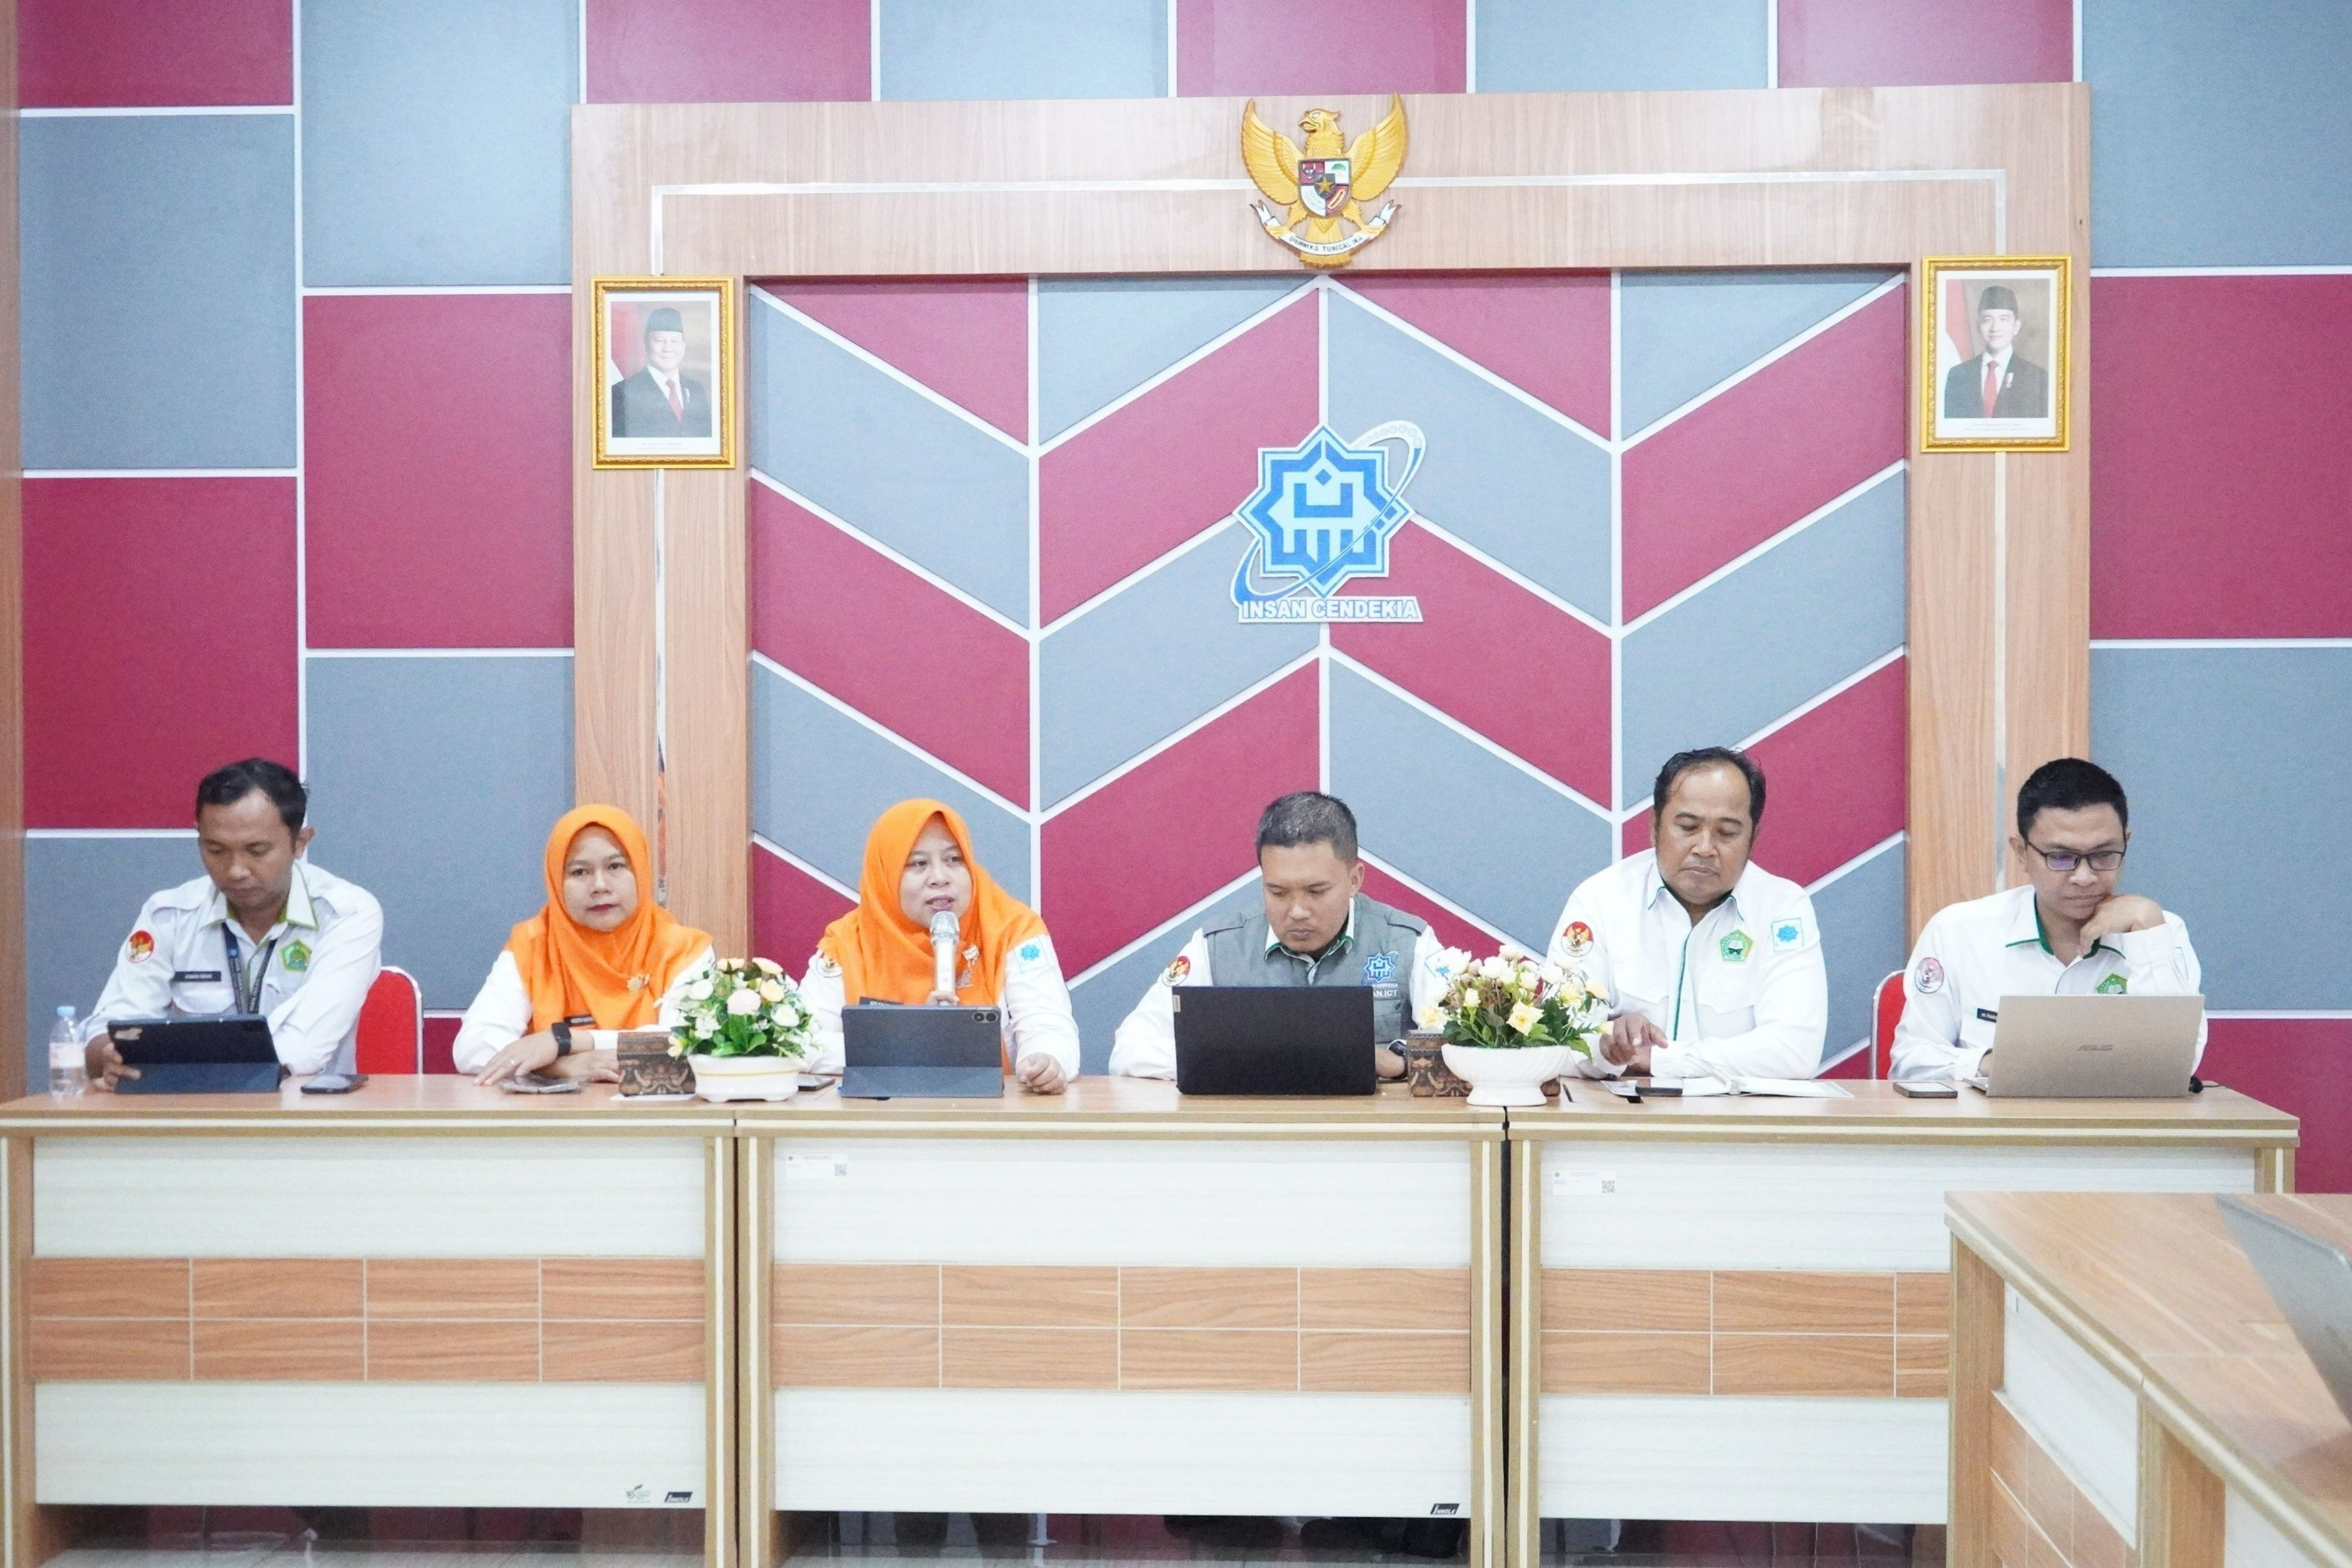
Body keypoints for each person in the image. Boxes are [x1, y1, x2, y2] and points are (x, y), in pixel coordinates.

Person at [1891, 757, 2203, 1082]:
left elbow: (2178, 1065)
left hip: (2114, 1116)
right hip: (1994, 1115)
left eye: (2103, 855)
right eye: (2061, 857)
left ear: (2126, 842)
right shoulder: (1958, 932)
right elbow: (1911, 1063)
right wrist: (1999, 1064)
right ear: (2021, 853)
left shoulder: (2159, 931)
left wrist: (2148, 931)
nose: (2084, 877)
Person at [83, 758, 383, 1088]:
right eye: (216, 850)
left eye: (257, 850)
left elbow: (304, 1048)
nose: (235, 870)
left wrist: (188, 1070)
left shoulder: (346, 914)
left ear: (300, 843)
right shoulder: (169, 916)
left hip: (303, 1110)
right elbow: (108, 1029)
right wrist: (108, 1056)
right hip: (189, 1110)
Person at [1110, 791, 1447, 1080]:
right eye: (1278, 892)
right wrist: (1249, 1059)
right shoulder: (1217, 946)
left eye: (1316, 891)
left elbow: (1464, 1047)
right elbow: (1129, 1049)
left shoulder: (1409, 943)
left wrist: (1401, 1061)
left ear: (1354, 879)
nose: (1297, 910)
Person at [1545, 747, 1826, 1082]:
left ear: (1753, 837)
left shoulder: (1782, 908)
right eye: (1688, 827)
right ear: (1655, 827)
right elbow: (1555, 1041)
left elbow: (1795, 1052)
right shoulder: (1600, 900)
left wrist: (1660, 1059)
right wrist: (1607, 1047)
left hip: (1739, 1113)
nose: (1705, 848)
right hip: (1622, 1113)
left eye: (1727, 833)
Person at [800, 799, 1078, 1091]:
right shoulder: (849, 941)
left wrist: (1045, 1061)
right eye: (919, 864)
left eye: (954, 860)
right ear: (886, 875)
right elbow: (799, 1044)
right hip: (877, 1115)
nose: (940, 878)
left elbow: (1048, 1024)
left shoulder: (1013, 929)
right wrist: (913, 1039)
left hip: (994, 1112)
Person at [457, 805, 713, 1085]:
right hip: (556, 1113)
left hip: (659, 1110)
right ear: (556, 880)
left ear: (640, 870)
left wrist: (565, 1041)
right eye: (580, 872)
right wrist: (560, 1066)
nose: (600, 885)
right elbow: (473, 1046)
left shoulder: (684, 950)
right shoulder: (532, 945)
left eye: (615, 866)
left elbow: (685, 1042)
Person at [1941, 283, 2049, 420]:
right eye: (1987, 320)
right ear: (1978, 326)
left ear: (2016, 327)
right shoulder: (1958, 375)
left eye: (2004, 319)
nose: (1995, 328)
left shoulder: (2036, 377)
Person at [609, 306, 712, 438]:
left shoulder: (696, 390)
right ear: (646, 345)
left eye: (675, 341)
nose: (668, 348)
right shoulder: (622, 392)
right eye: (660, 341)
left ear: (683, 347)